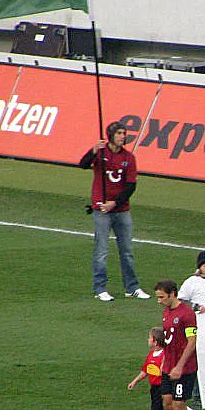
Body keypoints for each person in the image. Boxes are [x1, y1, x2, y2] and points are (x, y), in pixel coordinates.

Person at [79, 122, 148, 303]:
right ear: (110, 135)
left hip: (121, 210)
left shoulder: (129, 157)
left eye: (124, 133)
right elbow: (82, 165)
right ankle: (100, 287)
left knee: (127, 250)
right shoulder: (101, 153)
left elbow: (131, 186)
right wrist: (93, 150)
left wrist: (115, 203)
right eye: (119, 133)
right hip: (101, 210)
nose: (122, 136)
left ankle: (131, 287)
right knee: (101, 250)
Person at [154, 279, 205, 410]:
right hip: (169, 367)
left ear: (172, 294)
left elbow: (192, 341)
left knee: (179, 407)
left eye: (161, 297)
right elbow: (169, 340)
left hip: (185, 368)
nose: (159, 301)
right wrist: (165, 362)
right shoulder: (166, 312)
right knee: (166, 403)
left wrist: (179, 366)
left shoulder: (187, 314)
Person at [129, 326, 167, 410]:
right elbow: (145, 370)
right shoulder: (151, 354)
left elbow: (164, 372)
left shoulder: (164, 355)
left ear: (155, 341)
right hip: (154, 389)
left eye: (150, 338)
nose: (148, 340)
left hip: (162, 389)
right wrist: (135, 381)